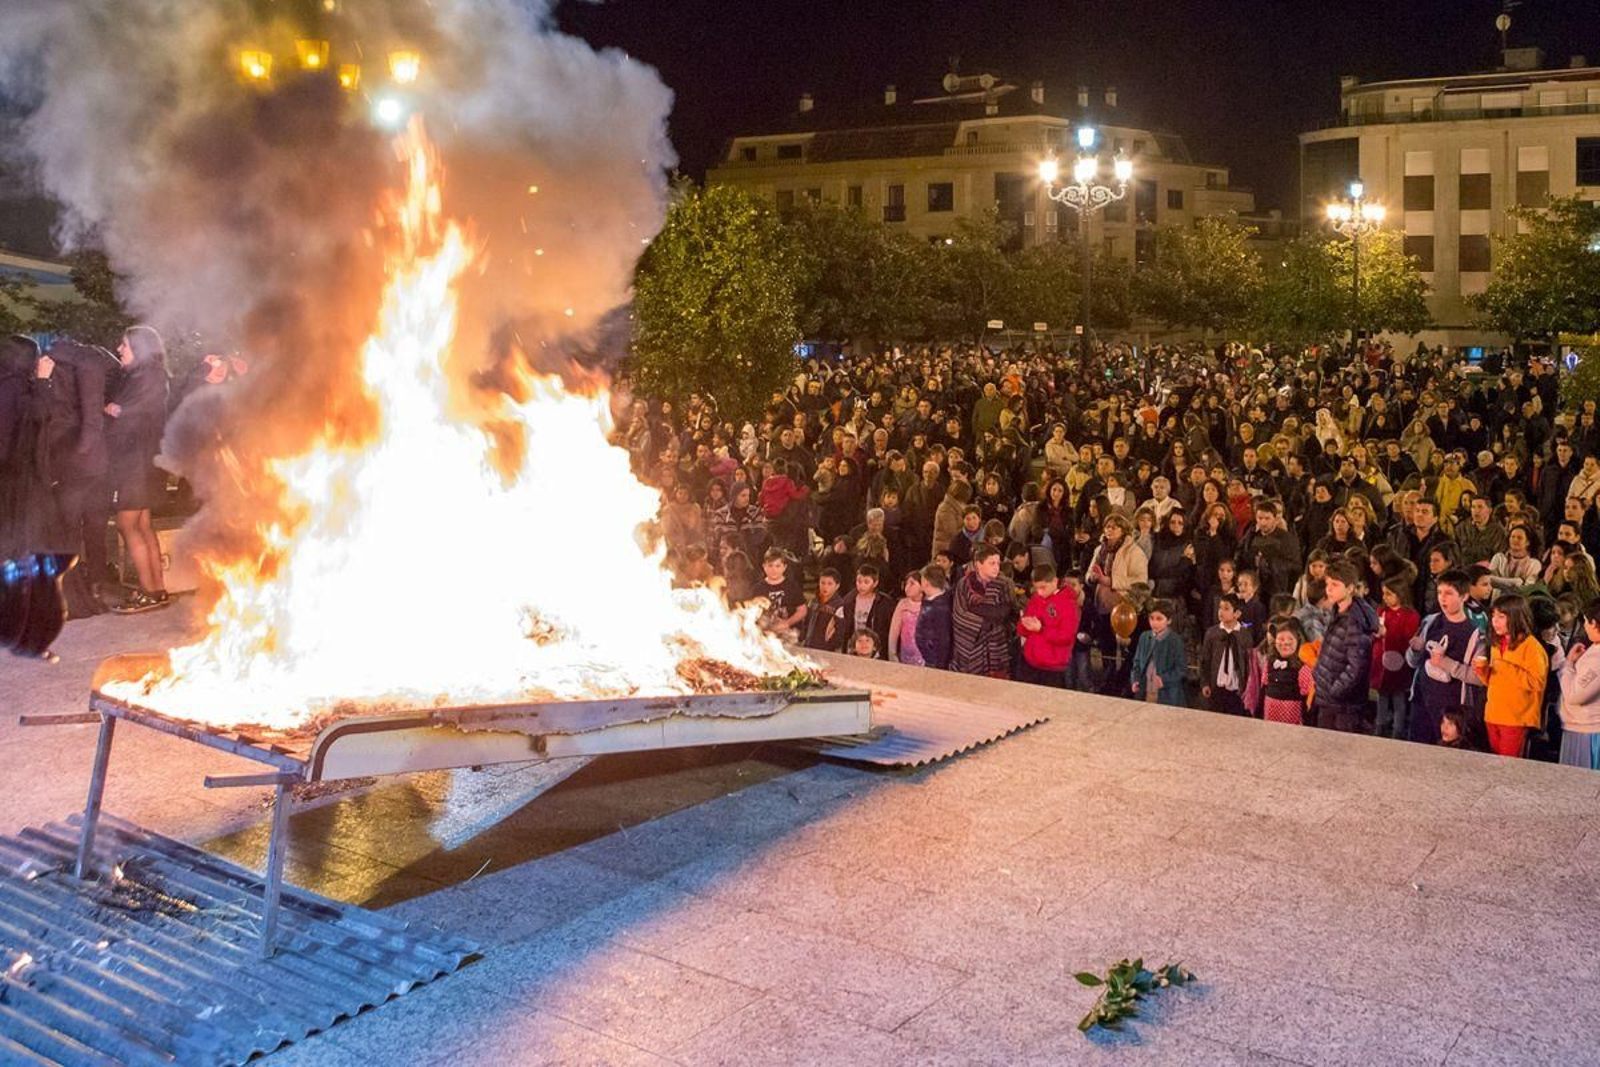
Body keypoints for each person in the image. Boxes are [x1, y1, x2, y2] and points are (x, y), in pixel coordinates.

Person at [104, 325, 171, 613]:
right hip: (147, 462)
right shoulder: (153, 375)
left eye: (125, 345)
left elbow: (125, 419)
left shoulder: (143, 377)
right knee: (143, 524)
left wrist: (111, 410)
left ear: (140, 350)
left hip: (134, 464)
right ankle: (157, 590)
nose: (120, 349)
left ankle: (149, 591)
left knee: (126, 524)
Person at [1406, 571, 1488, 744]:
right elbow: (1412, 662)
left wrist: (1445, 663)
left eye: (1449, 593)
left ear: (1464, 596)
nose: (1442, 598)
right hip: (1422, 702)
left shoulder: (1475, 635)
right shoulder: (1431, 621)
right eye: (1439, 592)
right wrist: (1416, 649)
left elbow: (1479, 677)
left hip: (1451, 711)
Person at [1476, 593, 1549, 758]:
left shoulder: (1531, 646)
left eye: (1501, 616)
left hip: (1515, 719)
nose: (1495, 621)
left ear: (1516, 617)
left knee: (1507, 769)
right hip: (1493, 714)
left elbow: (1537, 682)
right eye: (1493, 615)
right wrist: (1484, 672)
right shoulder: (1497, 643)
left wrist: (1504, 667)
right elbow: (1496, 679)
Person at [1309, 560, 1377, 732]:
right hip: (1329, 698)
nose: (1329, 589)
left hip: (1342, 705)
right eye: (1327, 584)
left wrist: (1335, 689)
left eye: (1335, 584)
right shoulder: (1338, 611)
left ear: (1350, 588)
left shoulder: (1354, 621)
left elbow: (1357, 666)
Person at [951, 543, 1014, 678]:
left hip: (996, 642)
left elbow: (1006, 612)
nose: (996, 567)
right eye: (992, 563)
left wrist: (977, 609)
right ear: (978, 564)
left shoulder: (1005, 583)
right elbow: (959, 613)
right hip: (972, 644)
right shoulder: (964, 584)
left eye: (998, 563)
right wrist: (984, 621)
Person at [1372, 576, 1421, 740]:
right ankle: (1379, 726)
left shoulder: (1410, 615)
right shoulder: (1381, 611)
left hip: (1399, 663)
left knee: (1399, 698)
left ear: (1400, 594)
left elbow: (1409, 638)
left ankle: (1397, 731)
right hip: (1381, 663)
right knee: (1382, 696)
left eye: (1389, 594)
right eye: (1383, 594)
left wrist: (1389, 634)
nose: (1385, 597)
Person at [1015, 563, 1077, 688]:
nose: (1040, 592)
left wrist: (1041, 629)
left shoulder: (1068, 604)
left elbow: (1066, 637)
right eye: (1036, 588)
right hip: (1030, 661)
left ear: (1055, 581)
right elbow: (1022, 629)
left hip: (1052, 667)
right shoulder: (1036, 598)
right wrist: (1024, 625)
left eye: (1043, 587)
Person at [1557, 597, 1600, 770]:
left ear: (1595, 623)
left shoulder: (1597, 658)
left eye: (1586, 622)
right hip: (1582, 727)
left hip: (1587, 731)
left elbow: (1575, 695)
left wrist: (1568, 666)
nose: (1584, 626)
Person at [1245, 619, 1314, 726]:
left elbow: (1307, 698)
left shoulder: (1302, 667)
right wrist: (1258, 714)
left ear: (1298, 641)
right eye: (1281, 639)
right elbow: (1264, 688)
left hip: (1292, 718)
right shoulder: (1269, 663)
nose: (1285, 643)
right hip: (1270, 715)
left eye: (1290, 639)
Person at [1199, 593, 1252, 715]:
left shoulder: (1244, 634)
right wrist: (1205, 683)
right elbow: (1205, 660)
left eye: (1226, 608)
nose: (1221, 611)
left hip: (1237, 689)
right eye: (1220, 607)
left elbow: (1248, 663)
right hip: (1217, 687)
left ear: (1237, 614)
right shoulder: (1212, 633)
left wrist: (1247, 687)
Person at [1129, 599, 1186, 705]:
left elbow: (1181, 669)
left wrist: (1164, 679)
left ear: (1168, 620)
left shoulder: (1175, 641)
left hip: (1167, 695)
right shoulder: (1144, 637)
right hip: (1145, 691)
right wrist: (1135, 680)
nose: (1154, 623)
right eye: (1151, 618)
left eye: (1159, 619)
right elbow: (1136, 663)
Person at [755, 548, 806, 637]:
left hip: (789, 634)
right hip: (765, 635)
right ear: (764, 566)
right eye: (770, 565)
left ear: (784, 567)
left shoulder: (792, 586)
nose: (774, 570)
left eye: (778, 566)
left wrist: (787, 623)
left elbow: (802, 610)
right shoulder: (758, 588)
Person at [848, 563, 895, 658]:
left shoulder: (884, 603)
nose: (861, 586)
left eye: (866, 582)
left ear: (875, 583)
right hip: (855, 649)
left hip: (875, 651)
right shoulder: (849, 599)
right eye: (859, 581)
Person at [915, 563, 954, 670]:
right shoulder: (928, 599)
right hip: (927, 657)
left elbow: (943, 639)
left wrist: (940, 665)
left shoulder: (940, 609)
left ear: (927, 583)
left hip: (934, 661)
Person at [801, 568, 849, 652]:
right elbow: (806, 622)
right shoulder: (813, 601)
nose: (825, 587)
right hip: (809, 645)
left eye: (830, 584)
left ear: (837, 586)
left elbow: (840, 631)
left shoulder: (839, 606)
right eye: (822, 583)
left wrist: (831, 645)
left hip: (826, 649)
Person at [888, 570, 925, 666]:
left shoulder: (929, 605)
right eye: (906, 583)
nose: (907, 587)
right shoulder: (902, 604)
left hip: (924, 658)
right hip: (905, 657)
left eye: (912, 583)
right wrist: (892, 654)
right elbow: (894, 631)